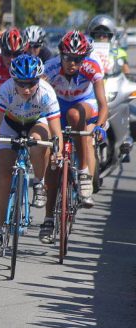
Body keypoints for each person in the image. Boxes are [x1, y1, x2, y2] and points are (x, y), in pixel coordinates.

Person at [0, 54, 62, 255]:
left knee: (38, 144)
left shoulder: (46, 92)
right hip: (10, 125)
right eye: (22, 84)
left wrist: (58, 152)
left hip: (36, 123)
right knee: (3, 175)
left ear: (39, 80)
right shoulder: (6, 89)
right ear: (14, 80)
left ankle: (39, 182)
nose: (27, 89)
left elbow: (56, 132)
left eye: (31, 83)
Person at [42, 31, 107, 234]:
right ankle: (49, 218)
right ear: (61, 55)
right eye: (68, 58)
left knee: (75, 114)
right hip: (58, 107)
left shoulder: (92, 67)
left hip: (85, 105)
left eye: (78, 59)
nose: (72, 63)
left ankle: (84, 173)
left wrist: (99, 126)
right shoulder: (50, 68)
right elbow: (39, 96)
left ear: (84, 58)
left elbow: (103, 104)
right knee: (53, 165)